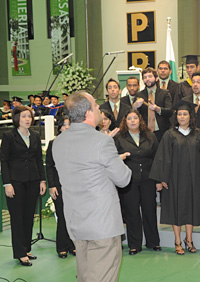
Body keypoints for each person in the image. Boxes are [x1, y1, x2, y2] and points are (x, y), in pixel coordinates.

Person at [52, 91, 131, 282]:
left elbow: (82, 171)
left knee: (85, 276)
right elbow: (123, 179)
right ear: (88, 113)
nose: (99, 109)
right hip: (101, 224)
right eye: (96, 106)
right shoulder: (102, 141)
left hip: (77, 222)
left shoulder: (58, 142)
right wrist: (116, 161)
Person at [150, 100, 200, 255]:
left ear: (190, 116)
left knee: (191, 208)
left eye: (185, 114)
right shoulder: (169, 135)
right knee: (176, 208)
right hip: (174, 179)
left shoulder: (199, 134)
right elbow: (162, 157)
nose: (182, 117)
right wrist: (162, 178)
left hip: (193, 179)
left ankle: (189, 240)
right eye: (180, 114)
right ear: (176, 117)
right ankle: (177, 240)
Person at [1, 105, 46, 266]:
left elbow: (38, 160)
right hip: (15, 182)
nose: (27, 119)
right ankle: (20, 253)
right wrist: (7, 183)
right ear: (16, 119)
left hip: (33, 181)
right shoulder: (8, 136)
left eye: (29, 116)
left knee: (28, 216)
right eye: (24, 116)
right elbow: (4, 161)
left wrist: (42, 180)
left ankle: (26, 248)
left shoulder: (34, 135)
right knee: (17, 218)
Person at [114, 110, 161, 255]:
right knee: (132, 212)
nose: (133, 121)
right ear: (125, 121)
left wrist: (158, 180)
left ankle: (153, 242)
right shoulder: (119, 138)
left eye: (135, 118)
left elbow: (157, 158)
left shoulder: (150, 135)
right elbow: (114, 159)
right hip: (128, 181)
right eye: (129, 118)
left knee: (149, 210)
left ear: (140, 120)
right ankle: (134, 244)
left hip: (148, 179)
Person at [46, 116, 75, 259]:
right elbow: (50, 166)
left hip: (75, 185)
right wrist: (52, 185)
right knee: (62, 216)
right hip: (59, 185)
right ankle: (62, 247)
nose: (67, 127)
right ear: (60, 128)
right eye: (64, 125)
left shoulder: (78, 143)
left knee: (74, 217)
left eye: (69, 125)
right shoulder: (53, 143)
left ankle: (73, 245)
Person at [133, 67, 173, 142]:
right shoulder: (139, 95)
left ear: (157, 78)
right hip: (144, 133)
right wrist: (135, 106)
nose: (147, 79)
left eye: (150, 76)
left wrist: (157, 109)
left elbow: (170, 111)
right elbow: (133, 114)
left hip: (162, 132)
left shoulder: (165, 93)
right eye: (145, 77)